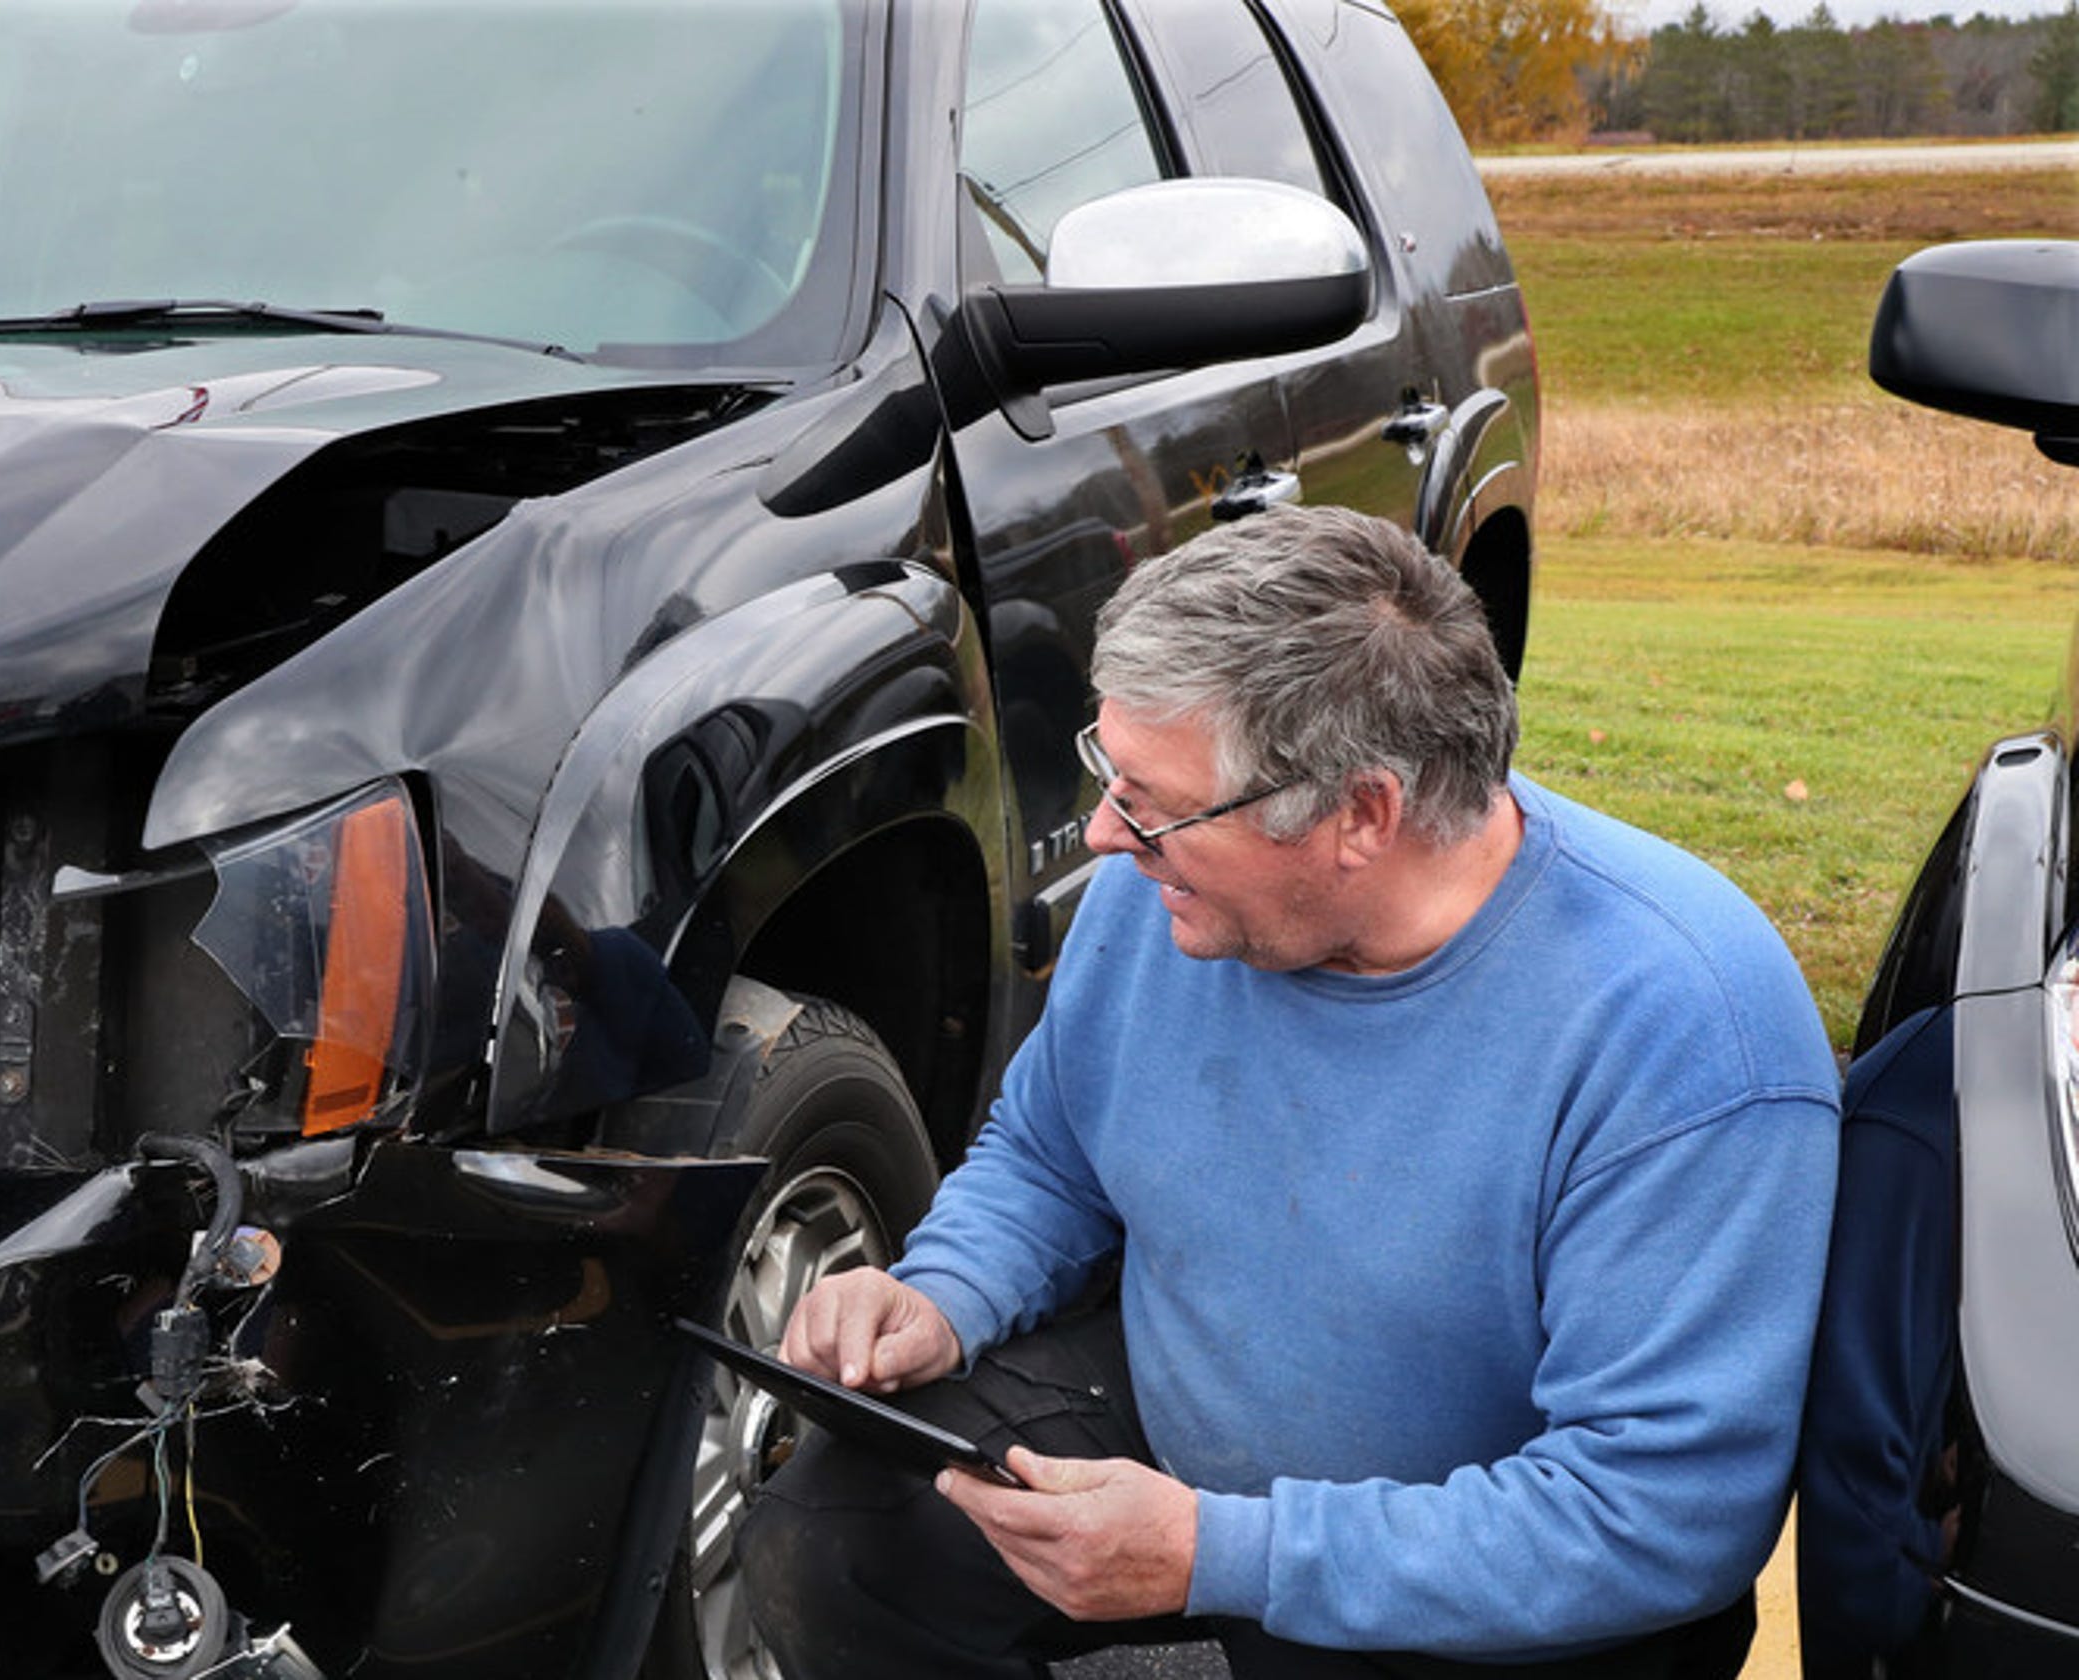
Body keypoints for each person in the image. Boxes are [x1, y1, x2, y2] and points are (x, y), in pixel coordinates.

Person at [734, 505, 1841, 1678]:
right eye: (1107, 773)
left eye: (1153, 805)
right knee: (844, 1548)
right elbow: (1050, 1153)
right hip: (1184, 1437)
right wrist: (944, 1293)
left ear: (1358, 813)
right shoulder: (1170, 898)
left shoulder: (1681, 1031)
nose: (1105, 837)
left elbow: (1656, 1517)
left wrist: (1225, 1554)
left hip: (1494, 1584)